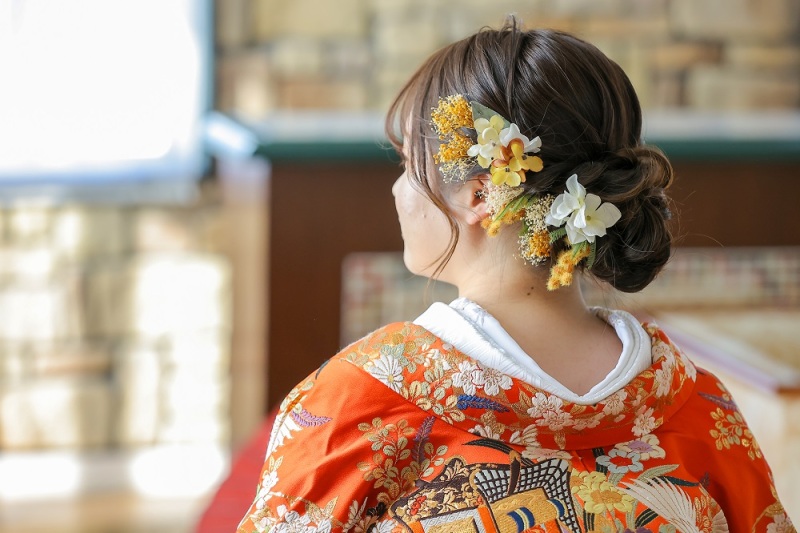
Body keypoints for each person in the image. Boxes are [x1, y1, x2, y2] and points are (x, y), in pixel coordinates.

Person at [237, 19, 794, 533]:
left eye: (408, 164)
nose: (397, 189)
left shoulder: (361, 406)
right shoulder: (699, 408)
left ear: (480, 194)